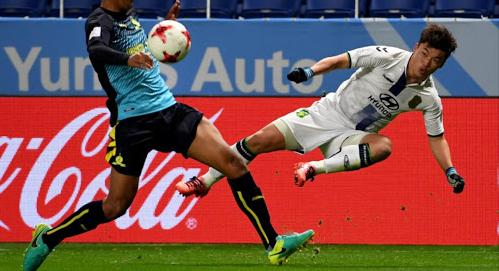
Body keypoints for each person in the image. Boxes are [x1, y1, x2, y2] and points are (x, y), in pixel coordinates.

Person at [22, 0, 314, 271]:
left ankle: (274, 244)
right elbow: (96, 49)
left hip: (169, 111)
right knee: (116, 206)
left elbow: (139, 49)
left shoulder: (130, 18)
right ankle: (49, 238)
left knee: (233, 164)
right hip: (133, 124)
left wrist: (164, 32)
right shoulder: (99, 20)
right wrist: (128, 59)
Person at [176, 23, 466, 198]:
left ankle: (313, 168)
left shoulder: (429, 98)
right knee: (258, 141)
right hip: (325, 114)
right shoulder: (386, 57)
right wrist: (309, 72)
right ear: (416, 47)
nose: (426, 63)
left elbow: (437, 137)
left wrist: (449, 169)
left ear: (441, 65)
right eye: (425, 53)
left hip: (352, 137)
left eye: (436, 60)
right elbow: (340, 61)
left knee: (384, 146)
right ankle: (205, 180)